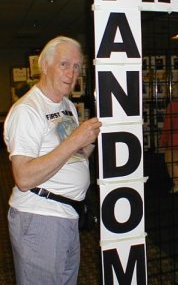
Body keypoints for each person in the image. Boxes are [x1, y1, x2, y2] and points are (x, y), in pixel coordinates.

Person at [4, 36, 102, 285]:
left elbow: (70, 157)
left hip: (66, 216)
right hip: (40, 217)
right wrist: (76, 139)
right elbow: (23, 177)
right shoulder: (27, 110)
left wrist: (88, 142)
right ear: (44, 65)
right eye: (64, 64)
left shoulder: (66, 104)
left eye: (77, 66)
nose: (72, 73)